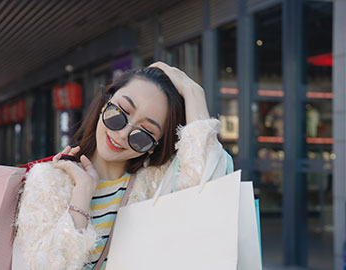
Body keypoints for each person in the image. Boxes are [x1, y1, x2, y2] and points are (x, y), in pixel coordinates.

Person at [12, 62, 233, 269]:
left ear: (153, 147)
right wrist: (81, 197)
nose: (123, 133)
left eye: (144, 133)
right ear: (103, 105)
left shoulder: (155, 183)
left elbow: (209, 188)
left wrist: (193, 92)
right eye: (120, 112)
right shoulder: (50, 180)